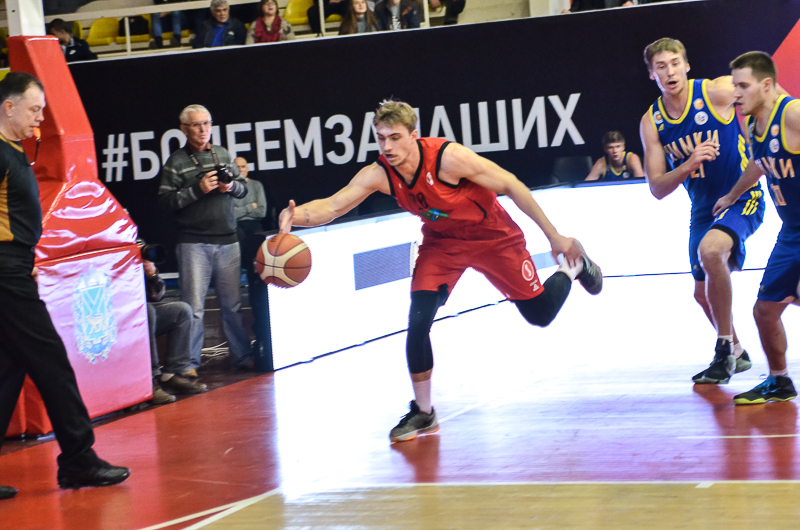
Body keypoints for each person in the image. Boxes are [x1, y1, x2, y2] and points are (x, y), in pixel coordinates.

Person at [278, 100, 603, 443]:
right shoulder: (380, 173)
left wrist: (554, 236)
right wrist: (295, 216)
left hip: (492, 236)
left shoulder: (448, 158)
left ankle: (573, 267)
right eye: (381, 138)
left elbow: (511, 184)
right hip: (442, 244)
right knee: (418, 322)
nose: (387, 146)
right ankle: (424, 412)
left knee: (539, 314)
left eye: (395, 137)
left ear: (414, 136)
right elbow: (333, 206)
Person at [0, 72, 129, 499]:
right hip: (6, 275)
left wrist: (24, 257)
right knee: (52, 363)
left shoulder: (14, 150)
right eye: (34, 109)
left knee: (8, 370)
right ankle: (78, 459)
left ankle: (78, 459)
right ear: (8, 107)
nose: (40, 118)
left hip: (15, 267)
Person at [639, 38, 765, 385]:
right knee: (700, 293)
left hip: (742, 196)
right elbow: (657, 188)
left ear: (686, 66)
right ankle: (737, 352)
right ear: (652, 75)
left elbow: (767, 92)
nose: (670, 71)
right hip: (703, 209)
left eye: (674, 63)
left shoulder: (715, 91)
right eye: (661, 66)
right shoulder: (652, 122)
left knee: (710, 252)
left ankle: (723, 350)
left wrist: (774, 129)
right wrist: (688, 164)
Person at [713, 52, 800, 404]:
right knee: (765, 311)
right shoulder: (753, 125)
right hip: (791, 232)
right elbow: (759, 164)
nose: (735, 93)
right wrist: (732, 195)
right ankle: (779, 382)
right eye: (734, 85)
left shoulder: (792, 114)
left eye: (743, 86)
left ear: (766, 85)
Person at [157, 104, 253, 373]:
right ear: (184, 129)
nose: (203, 130)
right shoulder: (176, 162)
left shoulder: (222, 153)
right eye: (196, 125)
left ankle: (242, 357)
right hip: (193, 242)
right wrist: (197, 189)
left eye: (207, 123)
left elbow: (243, 189)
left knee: (233, 306)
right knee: (194, 308)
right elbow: (164, 202)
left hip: (228, 240)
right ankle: (189, 364)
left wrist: (230, 186)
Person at [142, 249, 208, 404]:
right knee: (147, 311)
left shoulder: (136, 247)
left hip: (140, 313)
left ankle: (171, 375)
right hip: (117, 318)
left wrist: (151, 274)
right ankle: (150, 381)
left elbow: (157, 296)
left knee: (182, 310)